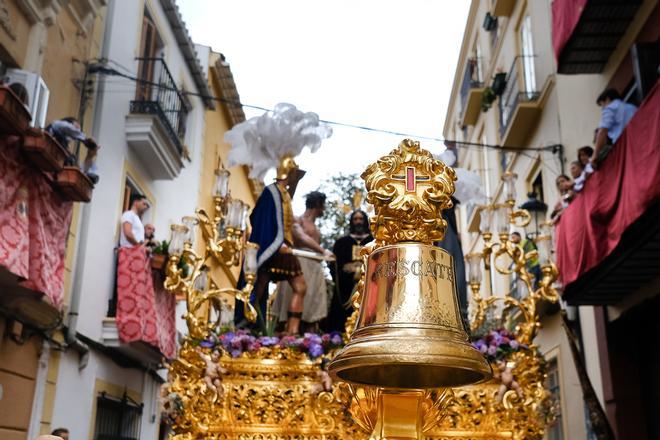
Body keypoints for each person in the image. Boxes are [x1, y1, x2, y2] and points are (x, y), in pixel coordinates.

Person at [241, 157, 308, 335]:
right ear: (287, 173)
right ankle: (248, 325)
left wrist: (296, 180)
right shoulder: (271, 192)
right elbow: (261, 219)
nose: (295, 177)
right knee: (259, 288)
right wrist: (275, 243)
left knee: (264, 287)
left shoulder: (282, 193)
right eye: (294, 173)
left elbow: (286, 204)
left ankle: (290, 332)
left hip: (282, 247)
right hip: (275, 247)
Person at [272, 191, 334, 332]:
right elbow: (300, 237)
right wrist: (323, 251)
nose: (324, 209)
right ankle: (288, 336)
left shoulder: (317, 228)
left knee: (312, 308)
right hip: (299, 264)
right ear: (317, 204)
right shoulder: (297, 220)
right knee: (294, 296)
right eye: (323, 206)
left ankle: (308, 342)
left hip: (315, 267)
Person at [324, 210, 373, 333]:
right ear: (351, 222)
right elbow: (336, 265)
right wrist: (340, 267)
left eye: (361, 219)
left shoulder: (373, 240)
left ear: (365, 221)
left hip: (368, 282)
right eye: (355, 219)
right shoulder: (342, 242)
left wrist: (360, 267)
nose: (358, 222)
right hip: (345, 286)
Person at [592, 88, 637, 168]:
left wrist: (595, 155)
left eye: (602, 104)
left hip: (624, 146)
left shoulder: (610, 108)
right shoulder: (632, 107)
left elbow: (602, 131)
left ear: (607, 99)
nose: (602, 108)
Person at [46, 117, 100, 183]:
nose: (76, 132)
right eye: (75, 129)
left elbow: (79, 174)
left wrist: (89, 156)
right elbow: (58, 125)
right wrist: (85, 139)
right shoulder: (54, 129)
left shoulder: (68, 155)